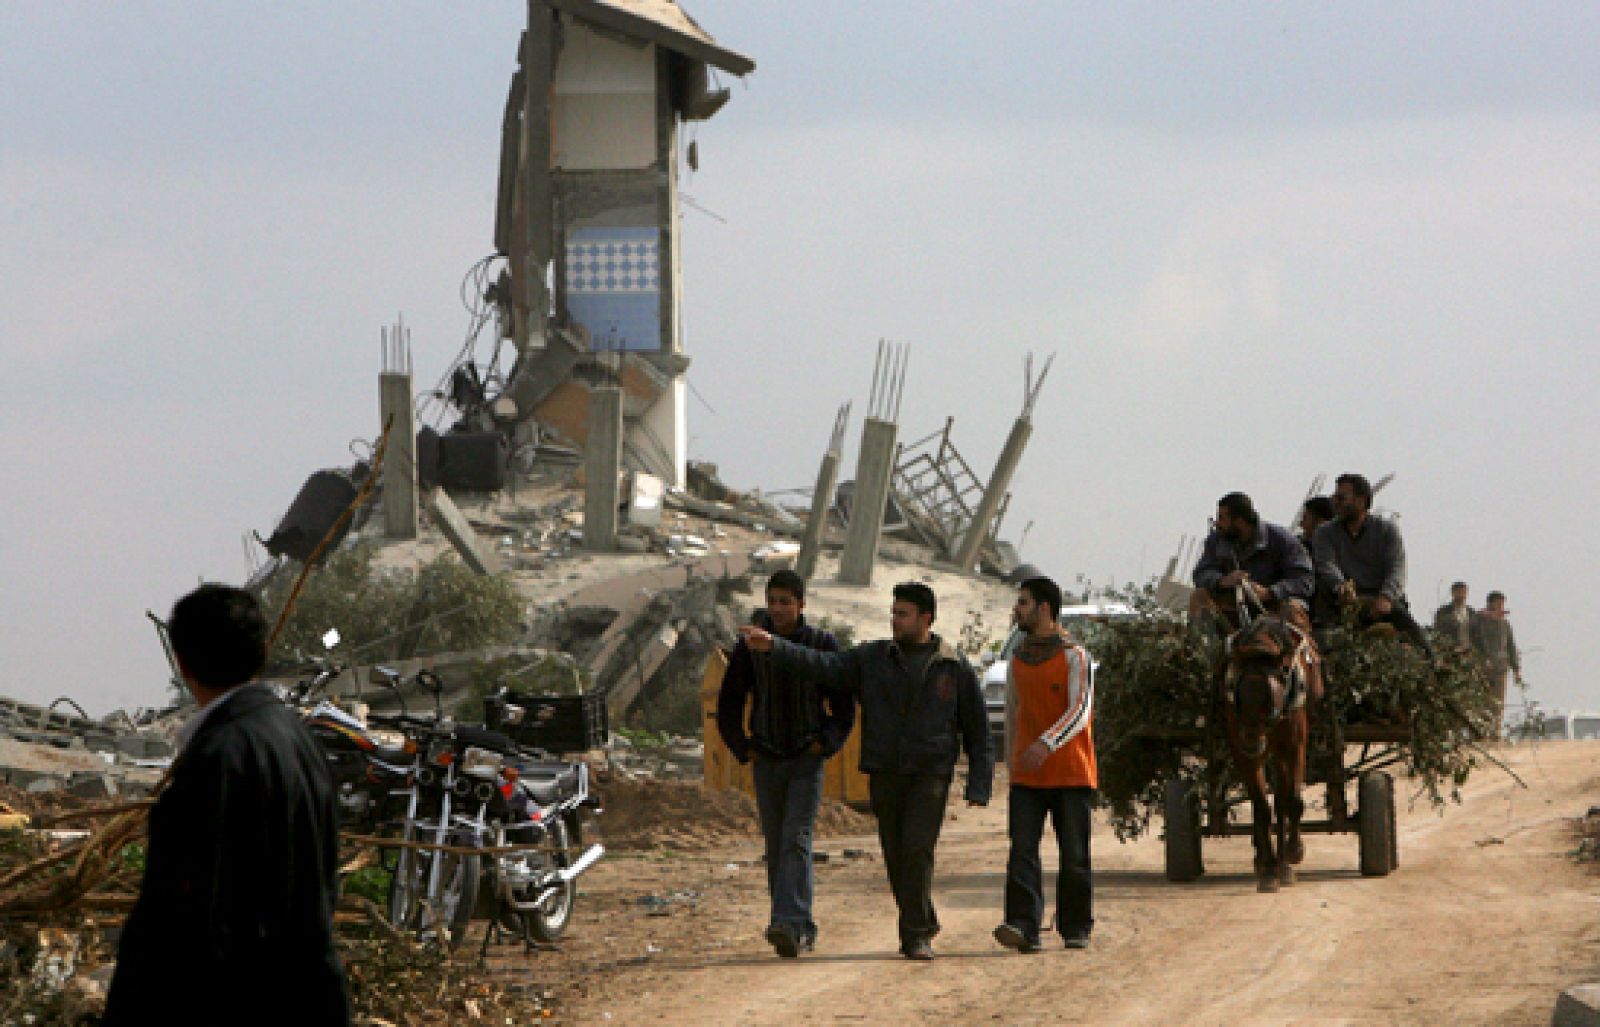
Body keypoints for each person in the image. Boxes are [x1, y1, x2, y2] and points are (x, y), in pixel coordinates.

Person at [104, 585, 350, 1026]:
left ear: (182, 663)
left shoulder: (218, 757)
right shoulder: (298, 740)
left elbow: (185, 919)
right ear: (261, 651)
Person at [739, 582, 993, 961]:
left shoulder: (952, 666)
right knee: (894, 854)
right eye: (893, 612)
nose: (895, 620)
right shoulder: (873, 658)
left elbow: (977, 728)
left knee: (917, 851)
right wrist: (776, 647)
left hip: (930, 772)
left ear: (926, 618)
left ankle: (916, 934)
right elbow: (824, 665)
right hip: (885, 770)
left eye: (902, 613)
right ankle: (921, 916)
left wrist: (979, 783)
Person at [715, 570, 855, 958]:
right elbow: (729, 702)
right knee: (776, 846)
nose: (777, 609)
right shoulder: (748, 647)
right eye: (772, 601)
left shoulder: (821, 643)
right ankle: (795, 926)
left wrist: (824, 743)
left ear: (801, 605)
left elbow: (843, 704)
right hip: (767, 758)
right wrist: (743, 748)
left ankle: (789, 921)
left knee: (796, 839)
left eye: (785, 602)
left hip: (805, 760)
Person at [992, 576, 1097, 954]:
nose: (1017, 610)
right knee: (1022, 851)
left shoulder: (1075, 656)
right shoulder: (1018, 658)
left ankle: (1076, 926)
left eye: (1023, 603)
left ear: (1044, 609)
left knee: (1074, 854)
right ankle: (1023, 925)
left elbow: (1080, 710)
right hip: (1027, 774)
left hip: (1070, 771)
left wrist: (1047, 742)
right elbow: (1013, 713)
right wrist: (1010, 764)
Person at [1311, 473, 1432, 653]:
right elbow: (1326, 564)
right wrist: (1341, 586)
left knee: (1419, 641)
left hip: (1380, 598)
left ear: (1361, 501)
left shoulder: (1386, 530)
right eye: (1334, 497)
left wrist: (1386, 597)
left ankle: (1432, 663)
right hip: (1341, 601)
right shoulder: (1324, 532)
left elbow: (1396, 568)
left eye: (1341, 498)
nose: (1335, 502)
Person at [1191, 491, 1316, 632]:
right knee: (1200, 597)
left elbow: (1305, 580)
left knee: (1293, 610)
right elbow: (1201, 572)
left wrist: (1270, 592)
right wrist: (1222, 581)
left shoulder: (1282, 540)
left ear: (1239, 521)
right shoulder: (1217, 540)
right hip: (1233, 607)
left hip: (1274, 608)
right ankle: (1205, 651)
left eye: (1222, 518)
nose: (1218, 524)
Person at [1471, 591, 1523, 732]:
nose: (1501, 606)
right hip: (1482, 667)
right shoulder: (1479, 621)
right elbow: (1471, 632)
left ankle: (1496, 732)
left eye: (1502, 603)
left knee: (1498, 703)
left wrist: (1516, 669)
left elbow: (1511, 647)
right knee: (1482, 702)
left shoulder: (1504, 624)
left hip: (1500, 668)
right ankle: (1481, 732)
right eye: (1498, 603)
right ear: (1490, 603)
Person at [1432, 581, 1475, 650]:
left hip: (1469, 652)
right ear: (1453, 593)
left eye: (1464, 592)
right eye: (1458, 592)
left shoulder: (1472, 612)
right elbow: (1438, 632)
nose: (1461, 595)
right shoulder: (1442, 612)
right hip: (1450, 651)